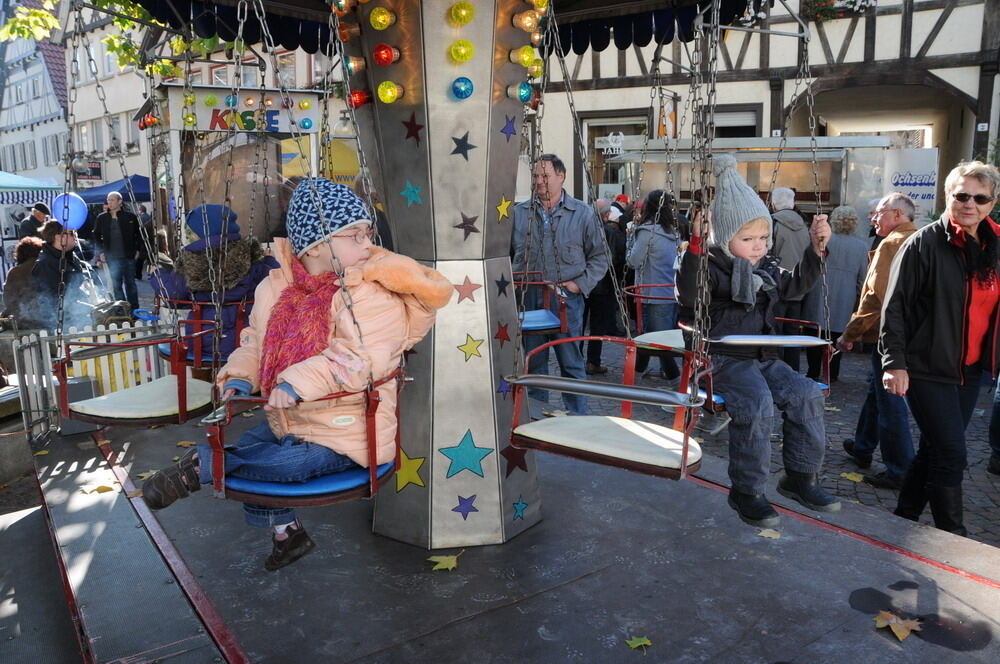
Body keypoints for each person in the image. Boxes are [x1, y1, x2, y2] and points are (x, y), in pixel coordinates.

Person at [140, 179, 452, 570]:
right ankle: (287, 534)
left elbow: (359, 359)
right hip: (290, 419)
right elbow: (257, 343)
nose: (368, 244)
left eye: (368, 233)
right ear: (317, 246)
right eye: (354, 235)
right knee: (254, 449)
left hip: (349, 429)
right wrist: (238, 377)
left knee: (284, 466)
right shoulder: (277, 289)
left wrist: (294, 382)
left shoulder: (371, 293)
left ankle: (199, 467)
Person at [677, 154, 838, 528]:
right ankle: (747, 490)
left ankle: (799, 476)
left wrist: (815, 251)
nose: (758, 246)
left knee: (806, 393)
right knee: (757, 403)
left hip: (763, 357)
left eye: (763, 237)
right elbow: (689, 296)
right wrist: (697, 244)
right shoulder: (710, 268)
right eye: (747, 239)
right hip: (723, 360)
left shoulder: (766, 270)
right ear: (725, 237)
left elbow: (795, 285)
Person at [882, 161, 1000, 536]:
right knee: (952, 453)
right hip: (926, 364)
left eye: (979, 198)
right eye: (961, 195)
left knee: (935, 447)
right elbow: (895, 306)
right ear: (948, 196)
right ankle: (954, 536)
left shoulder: (995, 244)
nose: (970, 204)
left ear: (992, 202)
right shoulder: (924, 242)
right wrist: (894, 363)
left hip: (971, 369)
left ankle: (903, 517)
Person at [511, 154, 609, 415]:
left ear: (561, 176)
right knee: (534, 365)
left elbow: (600, 257)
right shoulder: (518, 214)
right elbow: (504, 255)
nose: (539, 182)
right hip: (529, 299)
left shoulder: (583, 214)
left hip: (565, 300)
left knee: (571, 363)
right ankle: (536, 420)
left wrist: (578, 285)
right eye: (535, 177)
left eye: (545, 176)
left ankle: (578, 421)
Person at [838, 194, 918, 491]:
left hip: (891, 335)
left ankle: (900, 468)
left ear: (897, 214)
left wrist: (850, 334)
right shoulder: (918, 238)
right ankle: (862, 446)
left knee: (890, 400)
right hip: (909, 332)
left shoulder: (893, 243)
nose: (873, 218)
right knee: (877, 392)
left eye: (878, 213)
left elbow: (876, 297)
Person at [150, 204, 278, 363]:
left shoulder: (192, 262)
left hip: (203, 342)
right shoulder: (253, 260)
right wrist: (269, 260)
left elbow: (173, 294)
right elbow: (275, 282)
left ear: (201, 233)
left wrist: (157, 274)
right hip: (249, 341)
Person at [802, 205, 869, 381]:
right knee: (837, 335)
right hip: (844, 296)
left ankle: (813, 370)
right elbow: (863, 278)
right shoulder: (861, 247)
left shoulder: (824, 240)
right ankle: (832, 372)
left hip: (819, 291)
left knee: (815, 333)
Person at [626, 189, 682, 382]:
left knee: (659, 340)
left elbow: (633, 261)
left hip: (652, 292)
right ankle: (636, 372)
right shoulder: (674, 233)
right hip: (671, 292)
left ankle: (677, 380)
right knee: (653, 335)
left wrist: (629, 242)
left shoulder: (647, 233)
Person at [31, 220, 101, 331]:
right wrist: (89, 309)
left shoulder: (71, 256)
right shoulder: (46, 264)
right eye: (71, 233)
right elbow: (56, 300)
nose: (75, 236)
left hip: (78, 319)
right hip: (62, 325)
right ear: (58, 237)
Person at [770, 187, 811, 371]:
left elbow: (767, 254)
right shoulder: (804, 225)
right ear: (793, 204)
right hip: (799, 287)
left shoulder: (773, 223)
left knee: (774, 332)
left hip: (776, 286)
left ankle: (776, 370)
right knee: (793, 333)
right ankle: (793, 370)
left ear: (773, 204)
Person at [584, 199, 626, 375]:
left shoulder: (583, 231)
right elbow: (619, 260)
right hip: (604, 286)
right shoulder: (612, 234)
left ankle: (577, 360)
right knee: (597, 327)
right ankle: (593, 361)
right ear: (607, 215)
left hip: (584, 284)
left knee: (579, 325)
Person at [95, 192, 142, 311]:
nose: (109, 202)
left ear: (120, 201)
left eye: (112, 200)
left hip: (128, 256)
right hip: (112, 257)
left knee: (130, 283)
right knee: (116, 285)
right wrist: (100, 253)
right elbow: (96, 236)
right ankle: (121, 309)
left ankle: (134, 309)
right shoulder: (102, 218)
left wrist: (138, 250)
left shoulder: (130, 217)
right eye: (108, 200)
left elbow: (138, 235)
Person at [1, 236, 45, 328]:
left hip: (21, 321)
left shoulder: (15, 272)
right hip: (44, 319)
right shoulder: (45, 267)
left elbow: (8, 299)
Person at [135, 205, 154, 279]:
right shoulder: (149, 217)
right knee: (150, 258)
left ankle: (138, 274)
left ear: (140, 210)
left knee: (140, 259)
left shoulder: (140, 218)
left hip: (143, 240)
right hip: (151, 240)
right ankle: (150, 273)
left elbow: (138, 229)